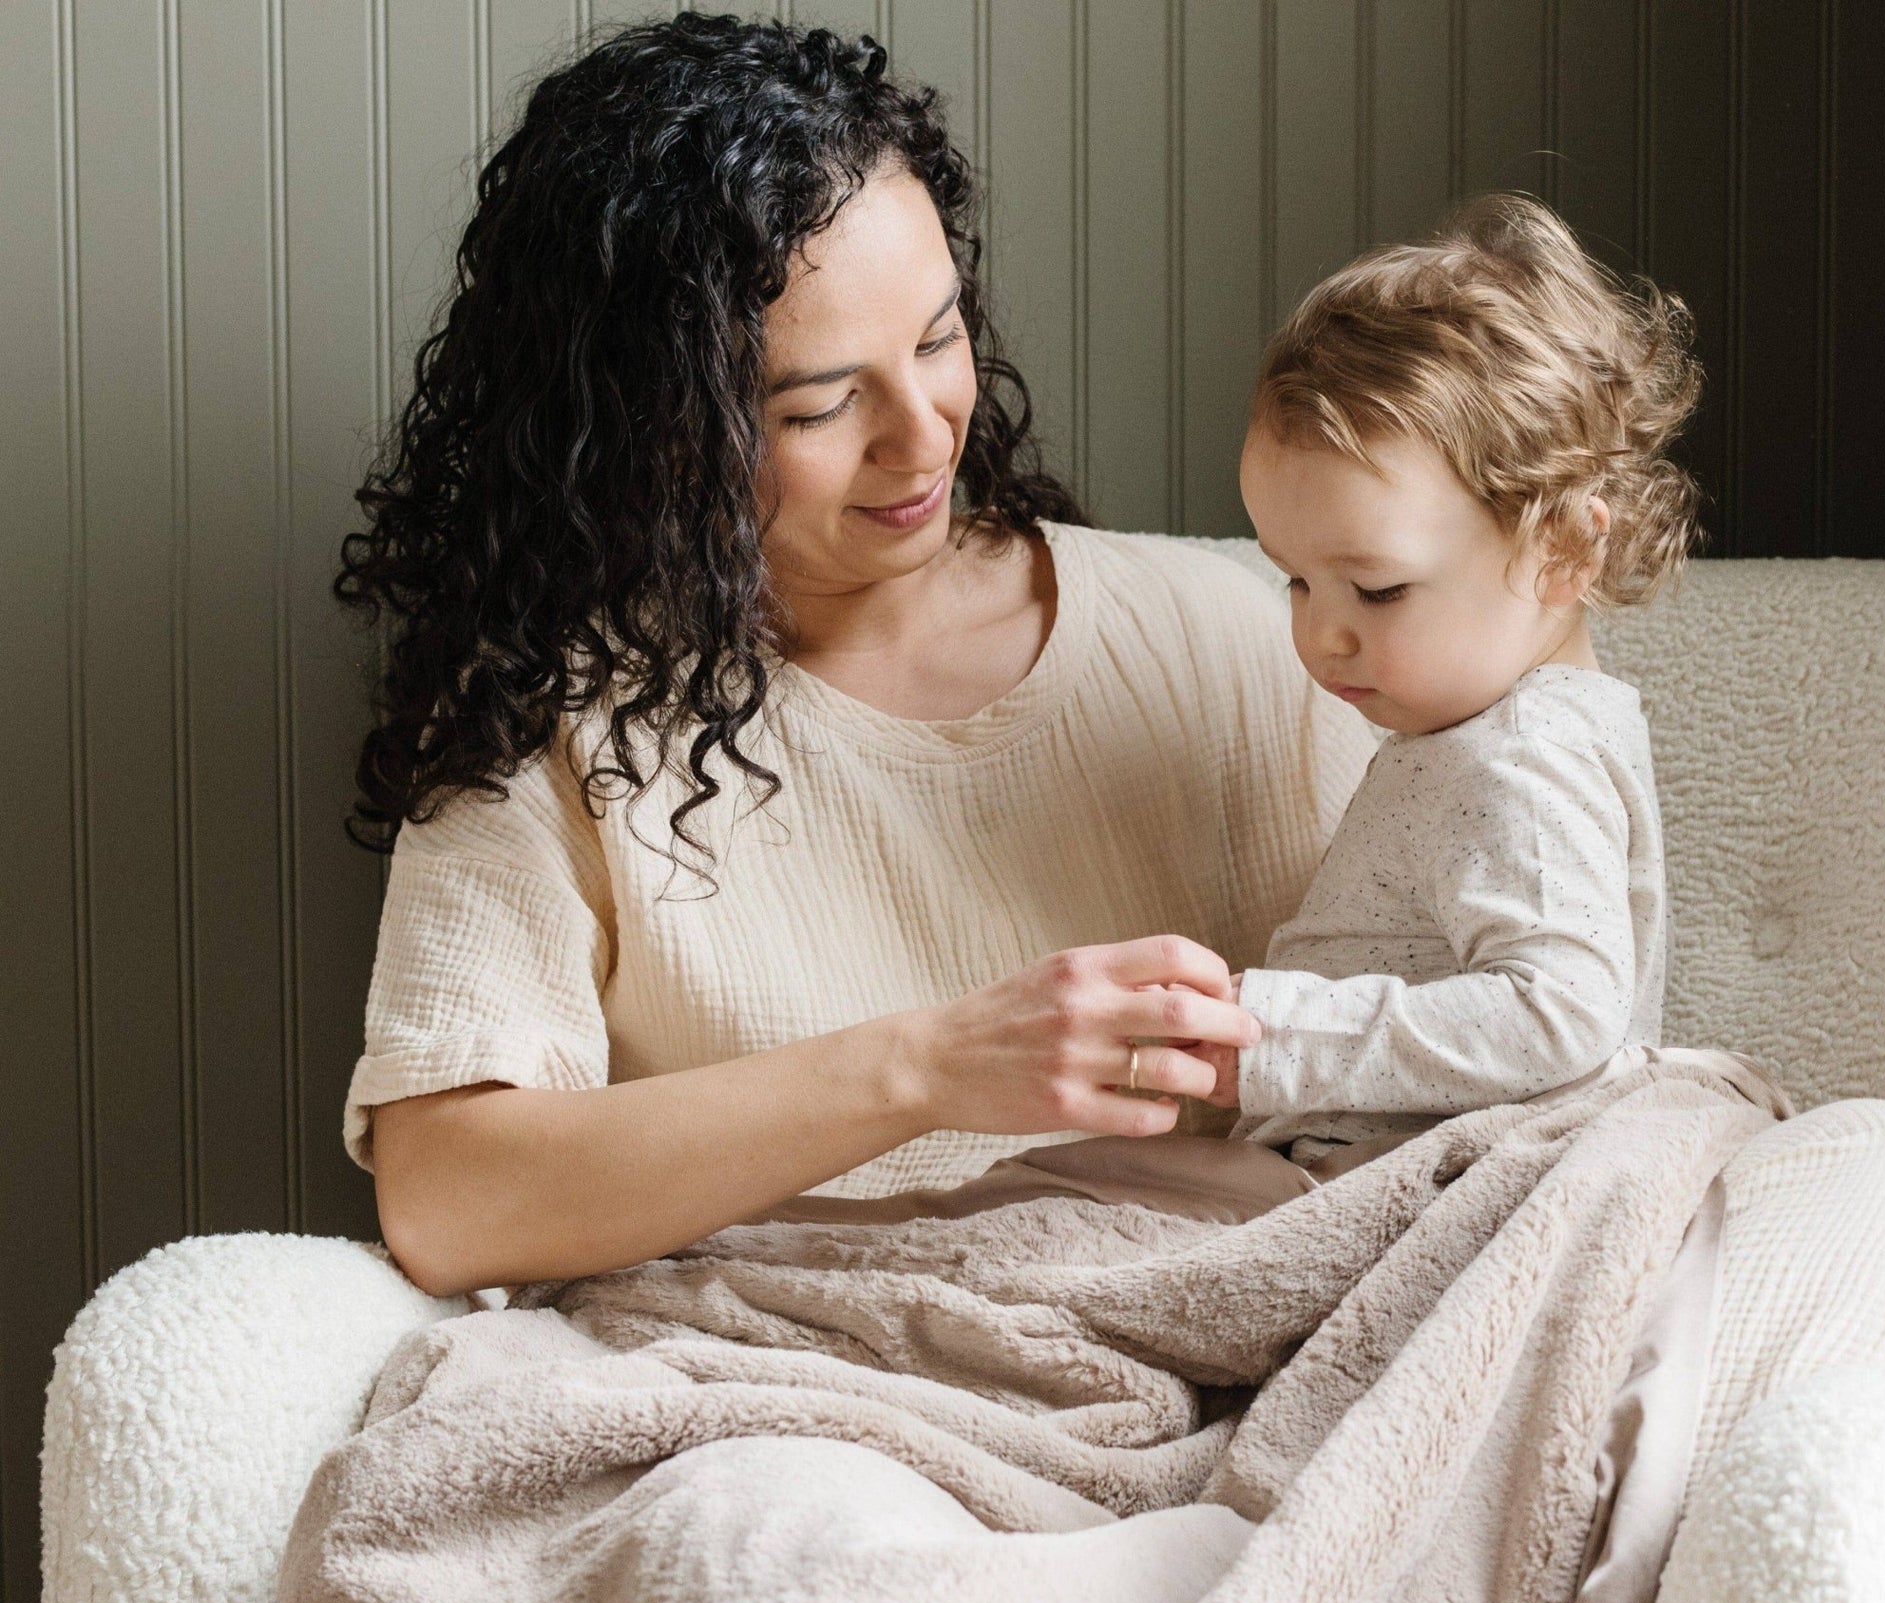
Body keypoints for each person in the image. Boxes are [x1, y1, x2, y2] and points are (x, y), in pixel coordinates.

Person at [338, 15, 1370, 1296]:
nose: (924, 437)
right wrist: (926, 1069)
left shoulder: (1234, 636)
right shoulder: (549, 725)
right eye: (820, 403)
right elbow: (449, 1200)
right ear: (655, 428)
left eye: (938, 341)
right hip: (799, 1391)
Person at [1200, 196, 1697, 1160]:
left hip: (1400, 1193)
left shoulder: (1521, 757)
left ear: (1561, 552)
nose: (1320, 636)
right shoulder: (1491, 732)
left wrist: (1272, 1036)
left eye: (1378, 591)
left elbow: (1559, 1013)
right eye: (1296, 579)